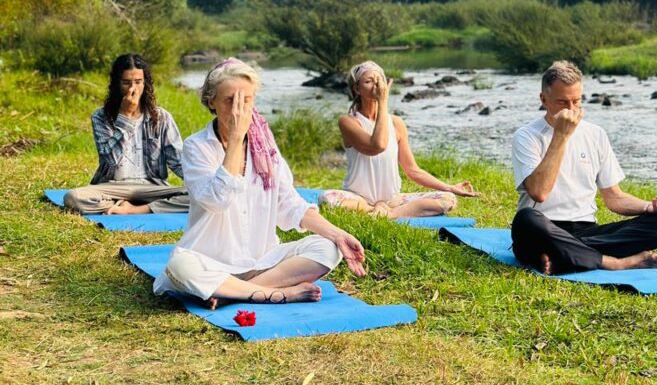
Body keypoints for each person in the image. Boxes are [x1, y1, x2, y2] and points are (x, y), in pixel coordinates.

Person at [153, 58, 366, 306]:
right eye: (229, 100)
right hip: (210, 261)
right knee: (180, 266)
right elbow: (217, 201)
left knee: (328, 248)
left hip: (262, 261)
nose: (239, 110)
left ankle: (233, 293)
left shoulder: (264, 146)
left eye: (246, 100)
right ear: (211, 101)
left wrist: (338, 234)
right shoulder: (196, 147)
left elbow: (289, 204)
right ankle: (279, 293)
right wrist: (235, 139)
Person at [510, 60, 657, 275]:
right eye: (562, 102)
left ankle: (565, 257)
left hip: (586, 230)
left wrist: (648, 208)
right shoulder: (526, 136)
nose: (571, 110)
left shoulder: (595, 134)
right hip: (543, 228)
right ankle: (612, 262)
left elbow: (614, 197)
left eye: (576, 101)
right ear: (544, 100)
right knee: (526, 220)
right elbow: (539, 192)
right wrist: (561, 135)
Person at [319, 60, 479, 219]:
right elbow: (377, 146)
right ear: (357, 89)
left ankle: (386, 214)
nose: (376, 85)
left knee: (448, 199)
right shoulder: (348, 122)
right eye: (368, 81)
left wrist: (450, 187)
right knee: (327, 199)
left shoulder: (396, 123)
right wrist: (383, 101)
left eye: (379, 80)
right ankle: (374, 211)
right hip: (359, 199)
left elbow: (413, 171)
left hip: (393, 200)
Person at [64, 53, 189, 215]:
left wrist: (203, 183)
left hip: (152, 187)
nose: (132, 89)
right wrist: (125, 117)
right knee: (72, 198)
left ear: (146, 84)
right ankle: (127, 204)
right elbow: (110, 160)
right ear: (116, 84)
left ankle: (134, 209)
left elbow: (179, 162)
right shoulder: (101, 117)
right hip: (113, 186)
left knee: (200, 197)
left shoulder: (162, 117)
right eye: (126, 83)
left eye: (138, 82)